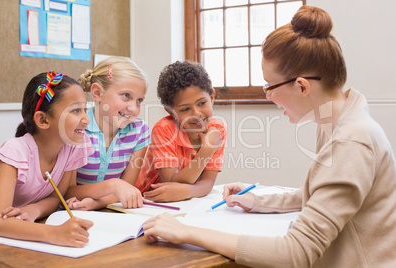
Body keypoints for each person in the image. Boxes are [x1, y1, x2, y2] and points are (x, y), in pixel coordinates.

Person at [142, 6, 396, 267]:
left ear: (302, 86)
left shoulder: (351, 142)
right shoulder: (336, 122)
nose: (268, 96)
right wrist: (256, 201)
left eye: (269, 86)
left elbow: (294, 253)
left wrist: (187, 232)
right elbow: (319, 197)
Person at [0, 71, 94, 247]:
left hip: (24, 229)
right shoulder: (15, 150)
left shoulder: (72, 146)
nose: (86, 119)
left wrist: (34, 210)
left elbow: (57, 198)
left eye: (85, 109)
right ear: (43, 119)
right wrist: (54, 233)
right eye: (75, 110)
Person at [65, 57, 150, 210]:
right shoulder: (76, 130)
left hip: (108, 210)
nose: (133, 108)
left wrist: (98, 203)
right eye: (126, 96)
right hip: (71, 212)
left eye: (139, 100)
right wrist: (113, 185)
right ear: (97, 93)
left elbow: (127, 187)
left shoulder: (140, 131)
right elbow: (67, 191)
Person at [135, 61, 227, 202]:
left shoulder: (217, 129)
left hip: (185, 200)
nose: (196, 113)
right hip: (146, 199)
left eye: (202, 103)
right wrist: (207, 151)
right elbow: (170, 182)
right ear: (170, 111)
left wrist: (188, 191)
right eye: (185, 109)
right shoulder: (164, 129)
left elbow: (208, 183)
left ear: (212, 97)